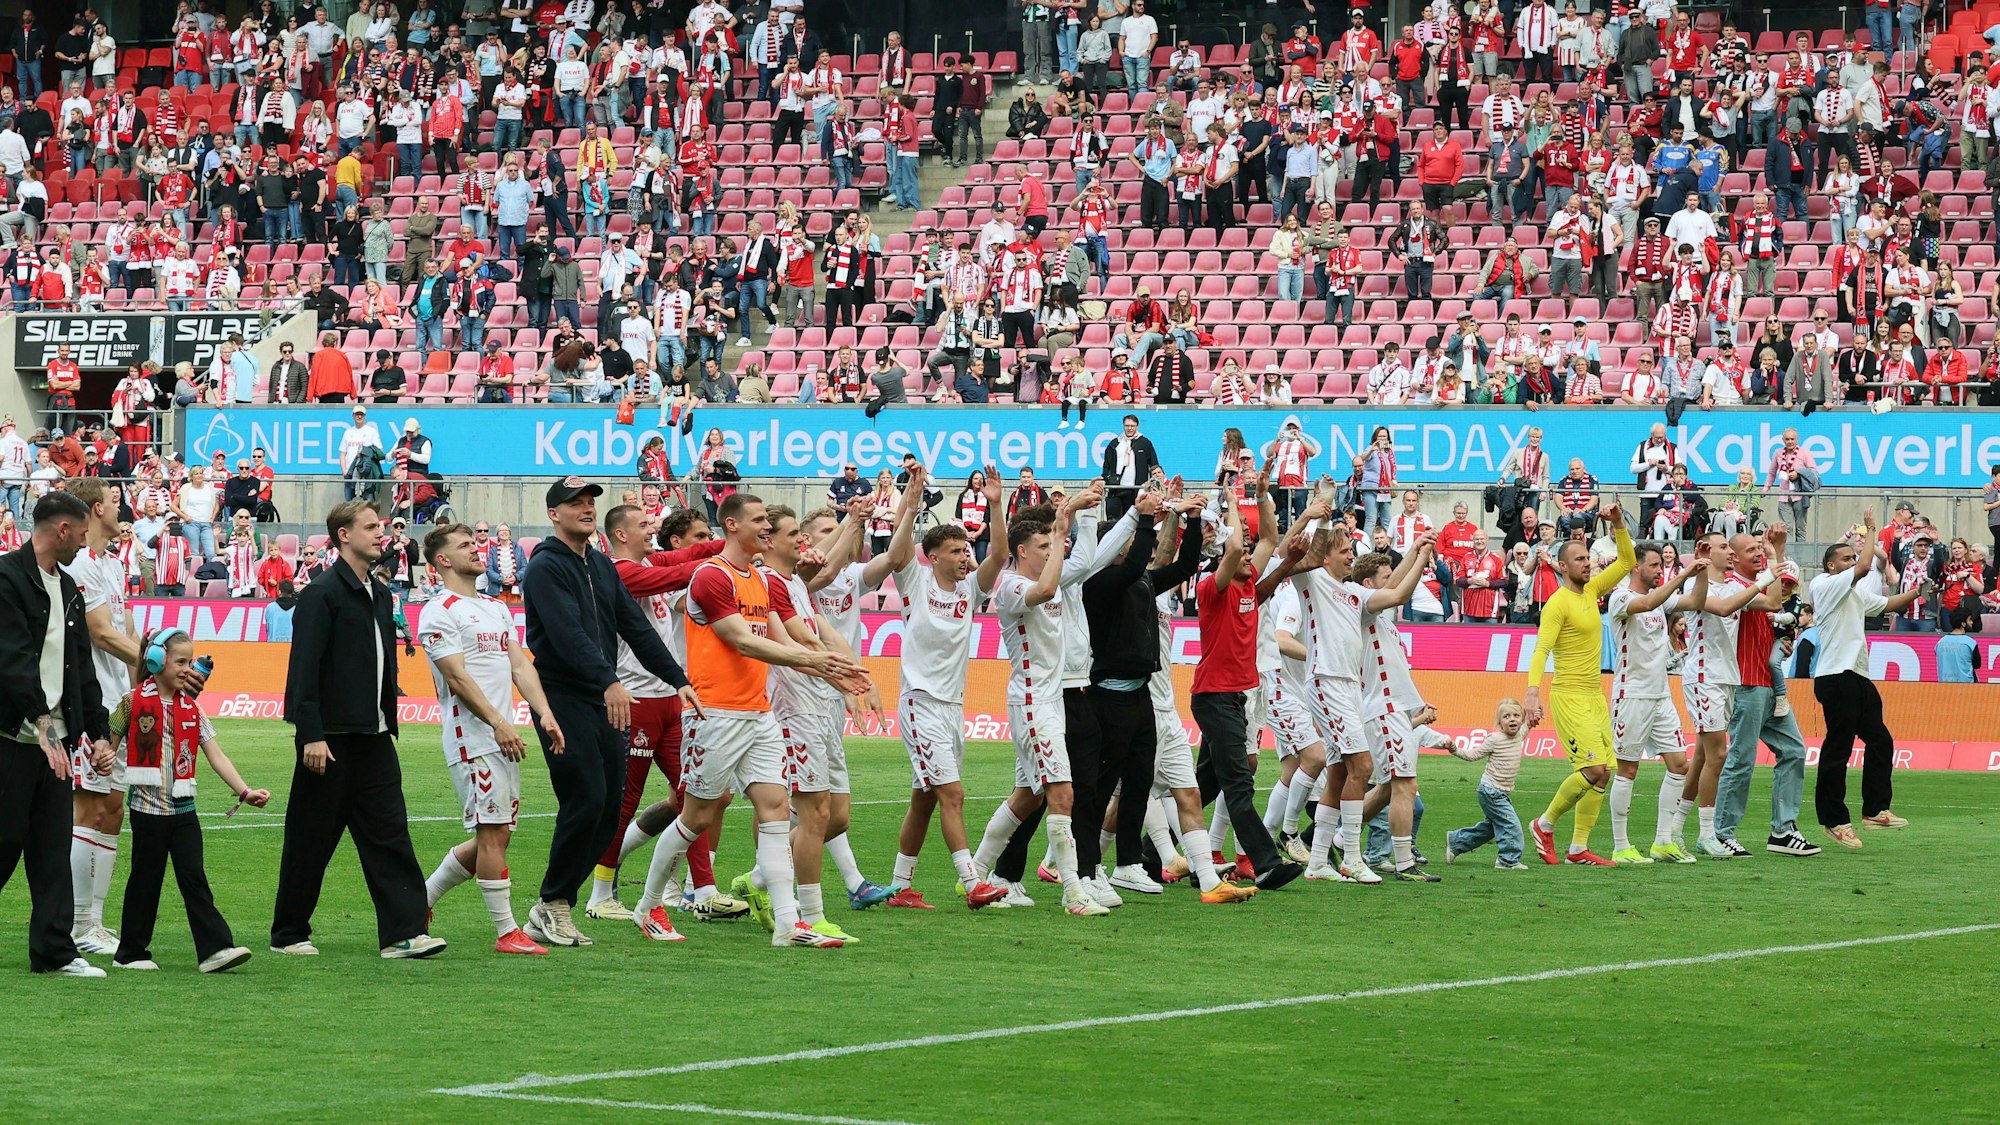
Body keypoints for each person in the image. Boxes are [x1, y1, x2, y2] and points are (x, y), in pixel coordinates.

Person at [630, 492, 861, 948]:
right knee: (696, 816)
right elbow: (742, 640)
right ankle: (649, 904)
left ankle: (788, 924)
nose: (767, 528)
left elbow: (782, 640)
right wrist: (817, 661)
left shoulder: (758, 579)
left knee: (775, 808)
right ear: (732, 525)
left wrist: (833, 670)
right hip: (714, 713)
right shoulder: (710, 576)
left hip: (758, 712)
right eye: (759, 521)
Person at [520, 477, 697, 950]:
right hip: (563, 696)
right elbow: (567, 635)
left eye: (589, 502)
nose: (586, 509)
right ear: (553, 514)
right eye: (574, 503)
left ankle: (554, 904)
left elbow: (635, 626)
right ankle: (554, 902)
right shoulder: (545, 567)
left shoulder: (599, 564)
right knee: (586, 799)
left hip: (601, 696)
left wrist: (676, 677)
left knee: (607, 809)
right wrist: (609, 680)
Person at [270, 499, 446, 960]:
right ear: (344, 535)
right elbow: (303, 670)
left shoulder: (381, 594)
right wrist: (310, 734)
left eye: (380, 526)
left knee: (391, 835)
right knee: (310, 840)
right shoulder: (321, 593)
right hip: (330, 739)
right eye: (370, 527)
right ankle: (288, 933)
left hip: (376, 737)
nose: (380, 533)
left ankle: (403, 933)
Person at [418, 523, 566, 957]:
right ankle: (506, 932)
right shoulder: (438, 610)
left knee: (497, 835)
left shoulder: (495, 607)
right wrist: (499, 722)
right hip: (473, 738)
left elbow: (520, 666)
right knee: (493, 833)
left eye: (474, 542)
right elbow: (457, 677)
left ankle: (419, 901)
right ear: (443, 560)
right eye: (464, 545)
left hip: (503, 736)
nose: (475, 549)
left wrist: (544, 712)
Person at [98, 627, 265, 973]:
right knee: (145, 881)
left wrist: (244, 791)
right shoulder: (130, 702)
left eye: (190, 662)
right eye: (181, 662)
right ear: (157, 661)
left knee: (194, 879)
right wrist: (103, 758)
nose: (189, 669)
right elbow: (108, 745)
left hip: (184, 809)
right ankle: (130, 953)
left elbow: (216, 755)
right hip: (146, 811)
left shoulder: (193, 709)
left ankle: (215, 950)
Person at [886, 465, 1011, 909]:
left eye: (965, 549)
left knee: (924, 800)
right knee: (952, 794)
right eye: (956, 551)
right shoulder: (915, 581)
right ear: (934, 557)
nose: (964, 557)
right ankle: (973, 883)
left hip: (952, 708)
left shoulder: (969, 591)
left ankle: (899, 887)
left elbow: (999, 554)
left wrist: (996, 504)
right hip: (920, 703)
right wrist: (911, 504)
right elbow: (898, 551)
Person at [0, 491, 112, 976]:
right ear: (62, 530)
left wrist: (98, 733)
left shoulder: (68, 588)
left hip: (57, 748)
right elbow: (12, 661)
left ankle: (54, 952)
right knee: (5, 842)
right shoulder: (6, 578)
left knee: (51, 851)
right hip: (12, 741)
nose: (85, 543)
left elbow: (81, 668)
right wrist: (42, 728)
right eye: (81, 534)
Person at [1188, 479, 1294, 895]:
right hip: (1214, 696)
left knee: (1206, 784)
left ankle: (1150, 853)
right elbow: (1235, 548)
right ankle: (1266, 864)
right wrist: (1233, 502)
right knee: (1238, 783)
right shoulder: (1211, 590)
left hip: (1232, 697)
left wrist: (1262, 496)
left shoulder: (1248, 586)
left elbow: (1268, 538)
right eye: (1242, 555)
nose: (1250, 557)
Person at [1522, 500, 1631, 867]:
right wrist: (1532, 693)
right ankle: (1543, 824)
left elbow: (1627, 563)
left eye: (1589, 557)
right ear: (1563, 566)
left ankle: (1578, 848)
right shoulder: (1557, 604)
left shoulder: (1591, 590)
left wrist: (1618, 523)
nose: (1588, 563)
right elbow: (1541, 649)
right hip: (1569, 696)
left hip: (1594, 695)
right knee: (1592, 769)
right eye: (1580, 559)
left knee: (1604, 774)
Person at [1809, 508, 1926, 849]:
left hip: (1857, 674)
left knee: (1881, 740)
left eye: (1852, 557)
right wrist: (1872, 529)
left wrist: (1917, 592)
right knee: (1839, 748)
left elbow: (1887, 604)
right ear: (1831, 565)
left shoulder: (1855, 592)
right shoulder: (1824, 584)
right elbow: (1862, 567)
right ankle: (1834, 820)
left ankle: (1875, 810)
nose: (1851, 561)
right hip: (1835, 675)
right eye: (1844, 558)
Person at [60, 478, 143, 956]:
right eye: (114, 501)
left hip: (118, 703)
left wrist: (141, 690)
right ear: (95, 509)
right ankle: (77, 924)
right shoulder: (82, 566)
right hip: (90, 707)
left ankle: (95, 921)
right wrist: (158, 664)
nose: (120, 508)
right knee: (89, 808)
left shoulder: (114, 564)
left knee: (112, 809)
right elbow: (101, 634)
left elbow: (125, 631)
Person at [1607, 539, 1708, 865]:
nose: (1659, 570)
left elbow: (1696, 601)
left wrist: (1701, 570)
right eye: (1653, 565)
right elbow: (1650, 601)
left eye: (1661, 566)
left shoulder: (1661, 600)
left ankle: (1663, 842)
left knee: (1680, 766)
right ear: (1636, 567)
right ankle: (1621, 846)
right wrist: (1683, 574)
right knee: (1628, 768)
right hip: (1632, 694)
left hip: (1661, 694)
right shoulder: (1621, 598)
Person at [1442, 699, 1528, 868]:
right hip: (1491, 791)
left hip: (1501, 792)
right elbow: (1473, 755)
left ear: (1521, 719)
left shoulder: (1520, 734)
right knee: (1511, 826)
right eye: (1506, 716)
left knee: (1492, 827)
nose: (1512, 719)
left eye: (1516, 715)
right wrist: (1454, 749)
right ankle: (1507, 860)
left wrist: (1535, 715)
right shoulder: (1494, 739)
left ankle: (1456, 841)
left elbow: (1529, 724)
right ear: (1499, 722)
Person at [1099, 414, 1157, 521]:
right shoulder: (1114, 444)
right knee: (1114, 521)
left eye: (1132, 426)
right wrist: (1107, 479)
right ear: (1123, 426)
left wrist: (1152, 484)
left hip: (1137, 490)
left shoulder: (1145, 443)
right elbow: (1106, 465)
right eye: (1127, 426)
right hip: (1116, 489)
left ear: (1137, 426)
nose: (1129, 428)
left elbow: (1154, 465)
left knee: (1134, 521)